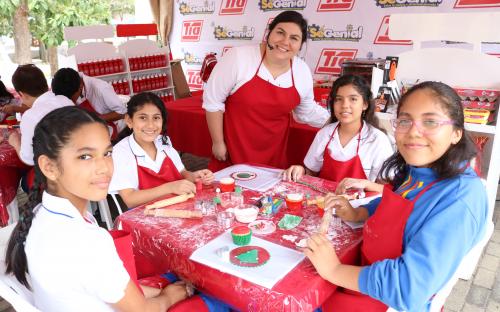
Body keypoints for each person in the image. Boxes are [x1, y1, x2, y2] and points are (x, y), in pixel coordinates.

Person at [304, 81, 488, 311]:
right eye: (404, 120)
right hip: (365, 275)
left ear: (456, 133)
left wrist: (334, 270)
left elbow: (407, 287)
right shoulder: (417, 171)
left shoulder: (460, 198)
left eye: (430, 121)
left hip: (384, 300)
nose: (413, 131)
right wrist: (357, 212)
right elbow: (393, 203)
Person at [4, 106, 192, 311]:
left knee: (171, 278)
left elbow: (106, 286)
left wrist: (161, 290)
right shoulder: (87, 241)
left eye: (107, 153)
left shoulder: (38, 214)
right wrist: (171, 296)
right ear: (49, 167)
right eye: (85, 156)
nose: (104, 167)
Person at [203, 10, 330, 171]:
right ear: (269, 34)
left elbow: (306, 111)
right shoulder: (238, 57)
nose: (285, 42)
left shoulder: (301, 71)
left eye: (294, 38)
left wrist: (339, 120)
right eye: (280, 33)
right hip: (233, 151)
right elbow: (213, 102)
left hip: (274, 155)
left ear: (300, 45)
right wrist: (218, 142)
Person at [283, 75, 393, 186]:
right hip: (323, 200)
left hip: (360, 203)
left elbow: (387, 189)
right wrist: (300, 171)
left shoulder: (377, 140)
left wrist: (366, 185)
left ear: (365, 104)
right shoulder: (325, 133)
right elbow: (311, 173)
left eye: (353, 99)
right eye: (339, 99)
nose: (345, 105)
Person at [109, 92, 214, 209]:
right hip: (145, 214)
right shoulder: (122, 152)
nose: (150, 125)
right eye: (143, 118)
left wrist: (195, 176)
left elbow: (182, 173)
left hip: (178, 205)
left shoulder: (163, 141)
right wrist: (170, 187)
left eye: (156, 118)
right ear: (129, 120)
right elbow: (130, 199)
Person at [7, 64, 73, 165]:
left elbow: (29, 160)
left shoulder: (30, 116)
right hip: (76, 161)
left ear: (21, 94)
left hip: (57, 172)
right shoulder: (65, 100)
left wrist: (15, 142)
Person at [51, 67, 126, 138]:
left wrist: (91, 120)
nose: (69, 102)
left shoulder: (101, 88)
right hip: (92, 130)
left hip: (113, 131)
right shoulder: (65, 86)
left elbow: (122, 113)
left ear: (80, 88)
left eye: (71, 99)